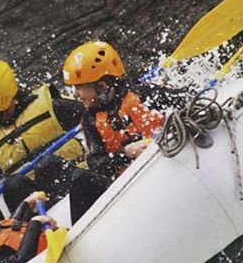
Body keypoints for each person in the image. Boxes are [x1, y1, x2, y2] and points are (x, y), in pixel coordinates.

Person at [61, 40, 177, 222]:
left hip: (170, 165)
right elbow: (97, 165)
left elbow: (188, 103)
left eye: (79, 87)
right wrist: (125, 153)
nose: (75, 94)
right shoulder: (91, 121)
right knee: (80, 179)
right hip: (130, 189)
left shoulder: (144, 93)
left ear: (101, 86)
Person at [0, 58, 86, 211]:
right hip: (40, 213)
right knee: (13, 184)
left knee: (46, 164)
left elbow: (95, 119)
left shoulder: (53, 108)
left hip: (79, 191)